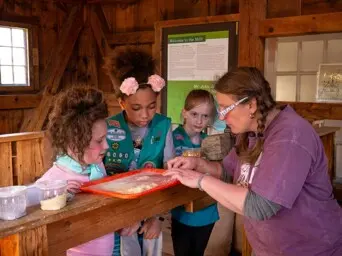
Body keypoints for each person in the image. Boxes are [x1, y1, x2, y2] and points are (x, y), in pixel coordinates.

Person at [165, 67, 342, 256]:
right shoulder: (251, 131)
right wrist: (200, 165)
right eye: (220, 109)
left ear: (251, 105)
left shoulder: (290, 135)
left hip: (310, 249)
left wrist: (201, 180)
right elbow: (229, 172)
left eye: (226, 108)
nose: (222, 117)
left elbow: (260, 206)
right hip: (269, 249)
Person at [103, 47, 175, 256]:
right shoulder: (108, 127)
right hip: (114, 217)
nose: (145, 115)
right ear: (121, 103)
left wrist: (158, 218)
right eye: (136, 108)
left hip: (151, 212)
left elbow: (170, 175)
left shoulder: (163, 126)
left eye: (152, 106)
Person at [34, 86, 113, 255]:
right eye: (99, 140)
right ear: (74, 142)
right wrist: (60, 201)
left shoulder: (97, 167)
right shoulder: (53, 181)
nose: (106, 146)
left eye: (106, 138)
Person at [171, 89, 219, 256]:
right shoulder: (172, 138)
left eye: (205, 116)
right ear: (184, 113)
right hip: (181, 211)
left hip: (207, 210)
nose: (199, 121)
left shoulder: (211, 141)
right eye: (194, 114)